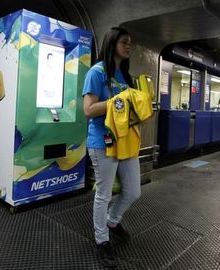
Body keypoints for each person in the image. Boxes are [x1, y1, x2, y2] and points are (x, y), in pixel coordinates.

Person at [83, 27, 140, 268]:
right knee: (104, 194)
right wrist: (118, 101)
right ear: (112, 43)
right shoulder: (96, 73)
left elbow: (126, 109)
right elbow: (88, 109)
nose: (129, 46)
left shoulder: (125, 75)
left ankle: (112, 221)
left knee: (133, 191)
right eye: (125, 42)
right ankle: (102, 241)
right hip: (102, 142)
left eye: (130, 43)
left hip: (125, 141)